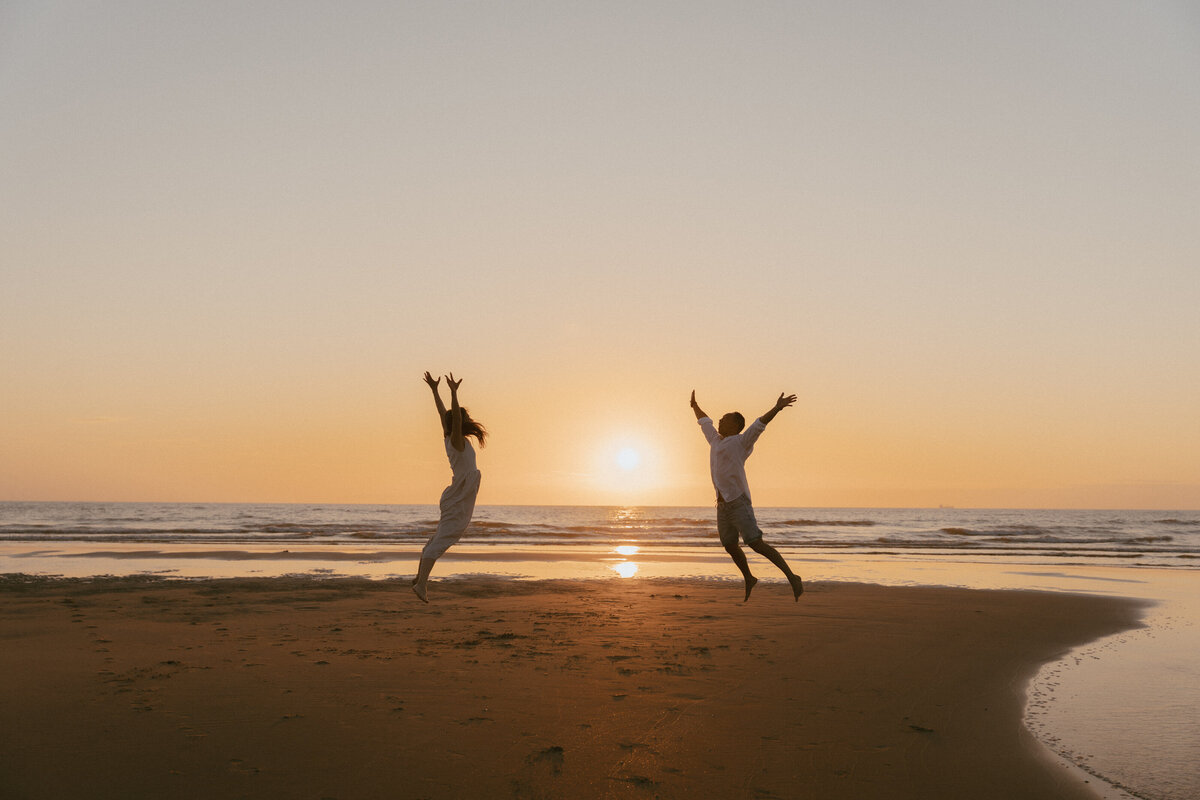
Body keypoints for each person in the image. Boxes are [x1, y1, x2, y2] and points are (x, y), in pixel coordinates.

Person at [690, 389, 804, 602]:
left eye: (724, 419)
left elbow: (760, 423)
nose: (720, 421)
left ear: (735, 425)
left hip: (738, 503)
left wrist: (777, 408)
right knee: (729, 545)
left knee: (755, 543)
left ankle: (792, 576)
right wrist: (694, 406)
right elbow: (705, 421)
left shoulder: (742, 442)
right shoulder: (715, 440)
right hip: (722, 505)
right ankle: (749, 578)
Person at [413, 372, 486, 603]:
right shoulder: (455, 439)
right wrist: (453, 392)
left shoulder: (453, 439)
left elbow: (443, 416)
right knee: (446, 537)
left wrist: (435, 391)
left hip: (460, 494)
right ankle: (421, 584)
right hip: (460, 495)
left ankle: (419, 580)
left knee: (441, 537)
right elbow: (451, 419)